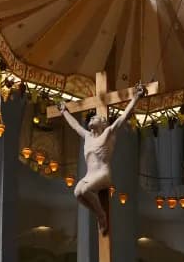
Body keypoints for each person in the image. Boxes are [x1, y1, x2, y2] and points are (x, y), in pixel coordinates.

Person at [59, 83, 146, 234]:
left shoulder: (108, 133)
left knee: (85, 189)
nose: (92, 118)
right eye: (91, 117)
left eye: (96, 117)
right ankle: (98, 212)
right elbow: (74, 125)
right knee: (77, 193)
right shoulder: (87, 136)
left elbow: (123, 117)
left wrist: (136, 96)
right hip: (89, 175)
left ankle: (101, 215)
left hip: (102, 174)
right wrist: (64, 111)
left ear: (103, 123)